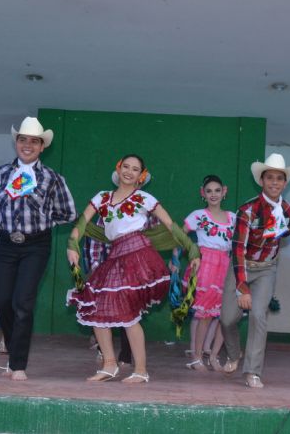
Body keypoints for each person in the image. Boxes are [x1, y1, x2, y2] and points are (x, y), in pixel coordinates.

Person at [66, 154, 200, 383]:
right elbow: (82, 223)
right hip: (115, 255)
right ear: (118, 169)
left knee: (128, 315)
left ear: (142, 176)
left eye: (135, 169)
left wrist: (192, 250)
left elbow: (170, 225)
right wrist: (72, 245)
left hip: (138, 254)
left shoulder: (144, 198)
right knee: (95, 305)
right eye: (125, 166)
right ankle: (110, 364)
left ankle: (140, 370)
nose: (129, 171)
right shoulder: (102, 197)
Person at [0, 116, 76, 381]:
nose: (27, 145)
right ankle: (14, 348)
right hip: (6, 242)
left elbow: (68, 213)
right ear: (16, 143)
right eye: (23, 140)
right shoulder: (1, 174)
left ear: (42, 146)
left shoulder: (52, 178)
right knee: (2, 301)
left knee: (23, 303)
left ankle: (18, 363)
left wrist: (42, 214)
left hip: (36, 244)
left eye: (34, 141)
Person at [221, 153, 290, 389]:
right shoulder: (247, 210)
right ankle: (234, 353)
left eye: (279, 178)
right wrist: (242, 287)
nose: (274, 183)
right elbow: (237, 249)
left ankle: (253, 371)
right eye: (270, 178)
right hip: (241, 267)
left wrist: (272, 243)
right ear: (261, 181)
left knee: (258, 316)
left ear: (285, 183)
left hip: (266, 269)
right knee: (227, 319)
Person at [178, 175, 235, 372]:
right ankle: (196, 356)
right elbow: (180, 235)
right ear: (203, 193)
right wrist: (176, 258)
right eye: (209, 191)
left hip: (225, 266)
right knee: (204, 314)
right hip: (206, 265)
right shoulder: (198, 215)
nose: (213, 194)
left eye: (217, 190)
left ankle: (212, 355)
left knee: (223, 315)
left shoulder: (233, 218)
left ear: (224, 191)